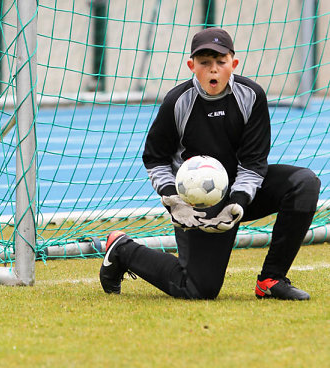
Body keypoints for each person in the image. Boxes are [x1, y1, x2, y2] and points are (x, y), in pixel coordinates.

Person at [99, 27, 321, 300]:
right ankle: (122, 249)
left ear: (234, 64)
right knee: (197, 289)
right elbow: (155, 158)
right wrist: (174, 201)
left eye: (220, 62)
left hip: (241, 192)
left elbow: (254, 162)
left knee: (304, 184)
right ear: (192, 66)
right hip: (197, 203)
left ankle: (271, 280)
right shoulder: (177, 102)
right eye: (204, 62)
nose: (213, 69)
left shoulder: (251, 95)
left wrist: (238, 202)